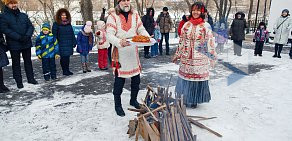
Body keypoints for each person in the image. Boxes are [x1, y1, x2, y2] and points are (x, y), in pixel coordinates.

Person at [106, 0, 150, 117]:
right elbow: (109, 34)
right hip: (120, 52)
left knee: (136, 79)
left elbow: (141, 29)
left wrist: (147, 37)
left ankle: (133, 100)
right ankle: (118, 105)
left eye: (128, 0)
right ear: (119, 2)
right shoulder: (112, 16)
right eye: (123, 0)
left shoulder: (135, 14)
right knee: (119, 81)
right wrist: (119, 42)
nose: (126, 2)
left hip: (132, 51)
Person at [172, 2, 216, 108]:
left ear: (202, 12)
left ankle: (195, 99)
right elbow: (182, 41)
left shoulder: (206, 26)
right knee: (186, 79)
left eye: (198, 10)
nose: (195, 12)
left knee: (196, 80)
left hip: (200, 58)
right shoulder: (186, 25)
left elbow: (210, 42)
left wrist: (212, 57)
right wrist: (177, 54)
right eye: (194, 10)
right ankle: (186, 98)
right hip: (186, 57)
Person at [0, 0, 38, 89]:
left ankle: (31, 78)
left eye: (15, 3)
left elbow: (30, 26)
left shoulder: (23, 15)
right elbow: (5, 29)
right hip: (14, 44)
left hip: (26, 42)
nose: (14, 5)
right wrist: (19, 37)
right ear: (7, 4)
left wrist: (27, 36)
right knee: (16, 64)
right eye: (11, 3)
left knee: (28, 62)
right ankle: (19, 81)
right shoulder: (3, 16)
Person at [52, 8, 77, 76]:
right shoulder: (56, 24)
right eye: (62, 15)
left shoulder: (69, 24)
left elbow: (72, 34)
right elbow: (54, 35)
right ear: (59, 16)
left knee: (67, 57)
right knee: (63, 58)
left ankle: (67, 70)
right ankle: (64, 70)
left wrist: (74, 42)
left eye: (65, 15)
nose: (64, 16)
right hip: (61, 43)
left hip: (68, 43)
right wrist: (55, 44)